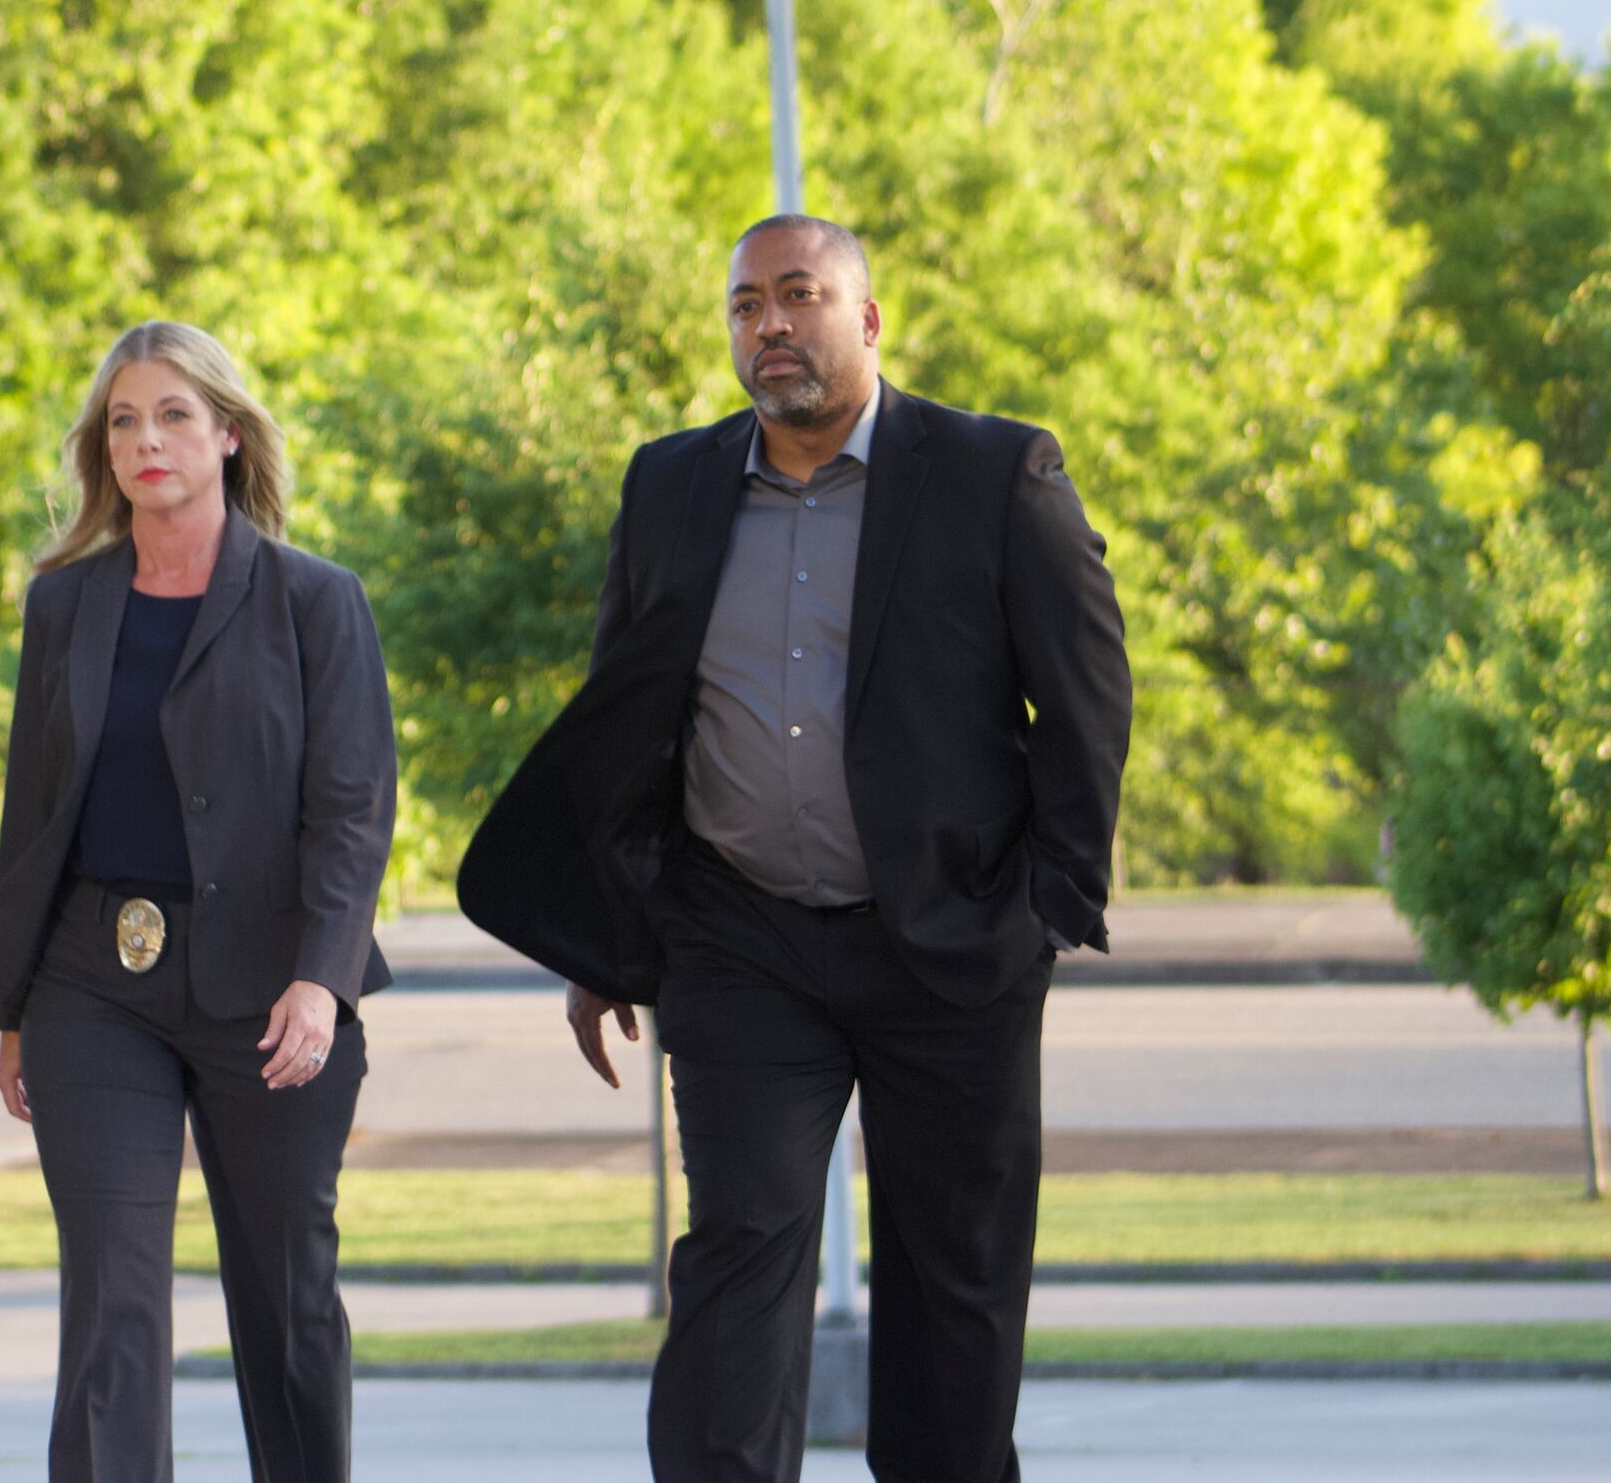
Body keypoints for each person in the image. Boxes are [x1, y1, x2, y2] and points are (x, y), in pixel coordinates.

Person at [457, 216, 1129, 1483]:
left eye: (800, 295)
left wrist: (1047, 903)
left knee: (956, 1276)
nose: (769, 323)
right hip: (738, 936)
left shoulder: (998, 475)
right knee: (738, 1256)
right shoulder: (668, 484)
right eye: (744, 303)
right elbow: (624, 718)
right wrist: (607, 935)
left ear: (867, 320)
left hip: (953, 944)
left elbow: (1088, 695)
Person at [0, 321, 399, 1483]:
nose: (145, 440)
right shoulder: (64, 604)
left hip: (271, 984)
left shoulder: (316, 601)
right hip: (89, 985)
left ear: (227, 435)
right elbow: (34, 806)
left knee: (287, 1296)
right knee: (111, 1290)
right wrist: (13, 1002)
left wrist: (323, 977)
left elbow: (353, 812)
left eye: (171, 416)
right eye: (121, 420)